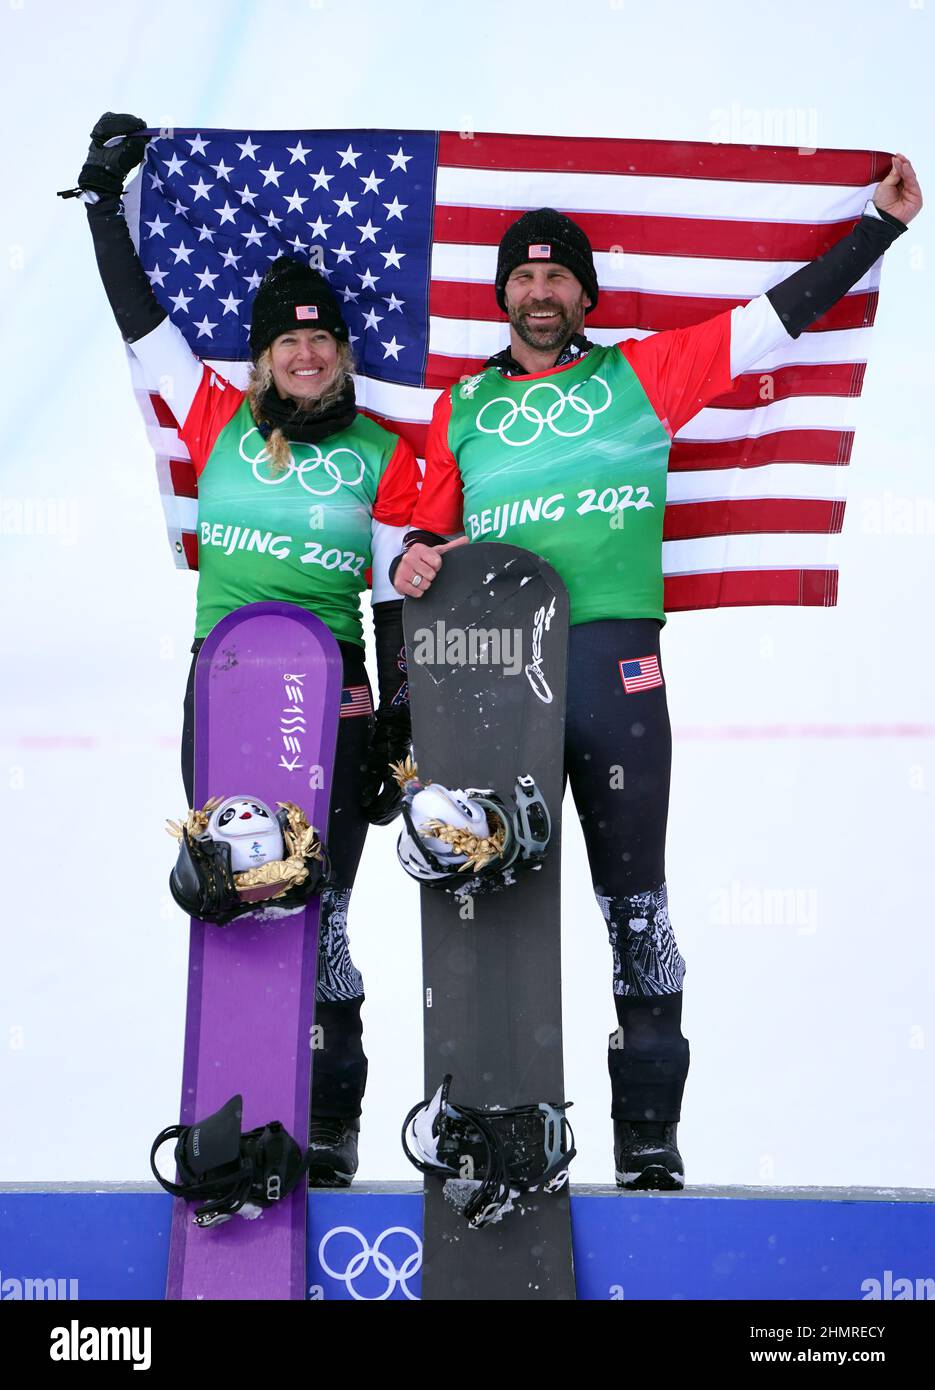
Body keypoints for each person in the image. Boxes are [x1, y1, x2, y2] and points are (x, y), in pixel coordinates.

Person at [393, 159, 923, 1189]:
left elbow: (773, 319)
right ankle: (500, 1128)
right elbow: (424, 540)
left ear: (583, 296)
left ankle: (647, 1140)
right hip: (498, 681)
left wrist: (877, 229)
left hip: (612, 669)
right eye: (523, 278)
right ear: (500, 292)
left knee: (634, 905)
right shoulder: (457, 407)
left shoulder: (638, 376)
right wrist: (416, 558)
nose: (540, 293)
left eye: (559, 279)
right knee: (488, 907)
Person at [74, 113, 421, 1187]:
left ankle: (329, 1130)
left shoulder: (383, 451)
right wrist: (100, 204)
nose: (306, 353)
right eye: (286, 340)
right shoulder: (214, 412)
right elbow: (141, 323)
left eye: (321, 339)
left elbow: (403, 591)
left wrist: (399, 710)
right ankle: (233, 1128)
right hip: (223, 688)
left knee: (318, 916)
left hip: (335, 695)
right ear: (263, 353)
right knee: (232, 897)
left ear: (342, 352)